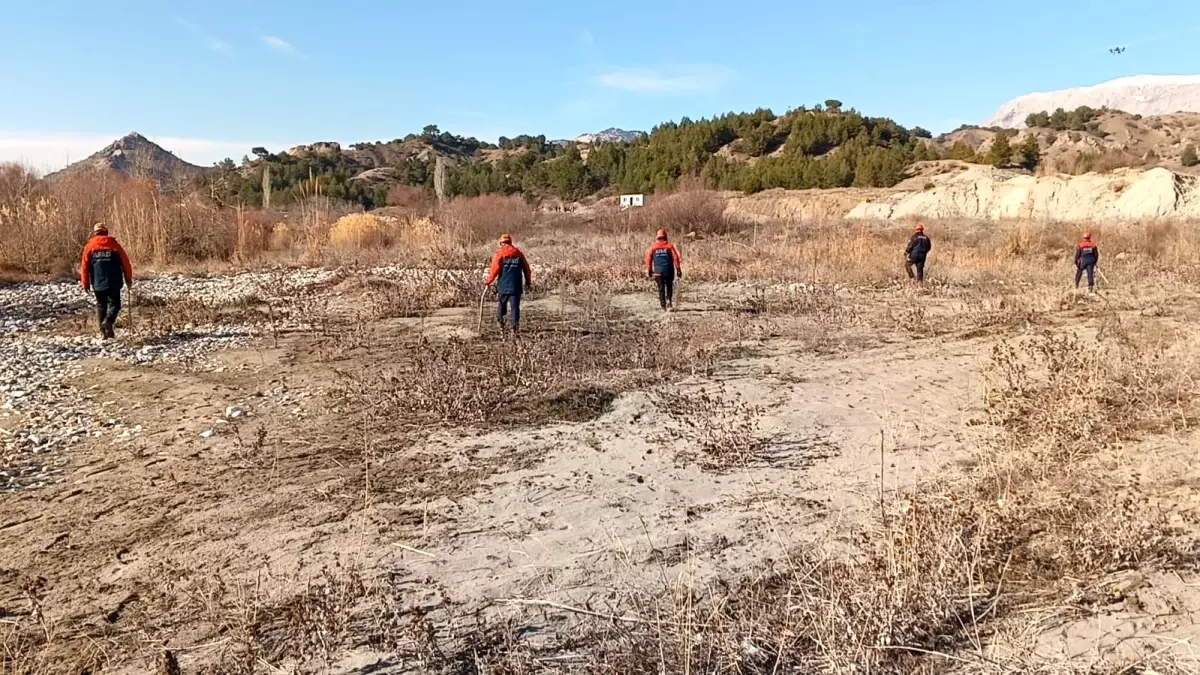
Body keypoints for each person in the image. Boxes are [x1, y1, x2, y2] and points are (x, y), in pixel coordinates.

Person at [80, 222, 133, 339]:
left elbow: (84, 266)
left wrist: (85, 283)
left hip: (97, 282)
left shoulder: (89, 246)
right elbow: (126, 263)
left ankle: (103, 333)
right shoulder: (114, 245)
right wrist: (128, 279)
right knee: (115, 305)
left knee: (101, 306)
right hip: (114, 281)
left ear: (95, 233)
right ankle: (108, 322)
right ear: (106, 232)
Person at [484, 233, 532, 334]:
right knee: (515, 308)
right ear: (510, 242)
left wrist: (488, 281)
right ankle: (515, 328)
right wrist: (528, 282)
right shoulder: (518, 253)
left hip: (503, 286)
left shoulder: (499, 254)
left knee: (502, 306)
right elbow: (527, 269)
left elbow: (494, 270)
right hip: (516, 286)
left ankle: (502, 326)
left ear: (501, 243)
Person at [645, 228, 682, 310]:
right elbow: (675, 258)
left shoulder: (653, 247)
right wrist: (678, 269)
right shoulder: (669, 246)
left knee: (661, 288)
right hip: (669, 271)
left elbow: (648, 259)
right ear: (665, 237)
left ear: (657, 237)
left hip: (658, 272)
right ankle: (669, 302)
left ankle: (663, 306)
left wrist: (649, 270)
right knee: (669, 286)